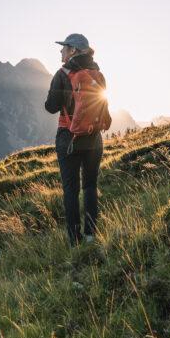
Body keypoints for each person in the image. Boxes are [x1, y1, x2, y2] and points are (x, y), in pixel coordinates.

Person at [44, 33, 110, 245]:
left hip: (68, 138)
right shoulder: (98, 74)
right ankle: (91, 236)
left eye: (64, 47)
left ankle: (75, 240)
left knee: (71, 190)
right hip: (94, 138)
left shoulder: (62, 74)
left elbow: (51, 107)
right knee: (90, 186)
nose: (61, 51)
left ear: (73, 50)